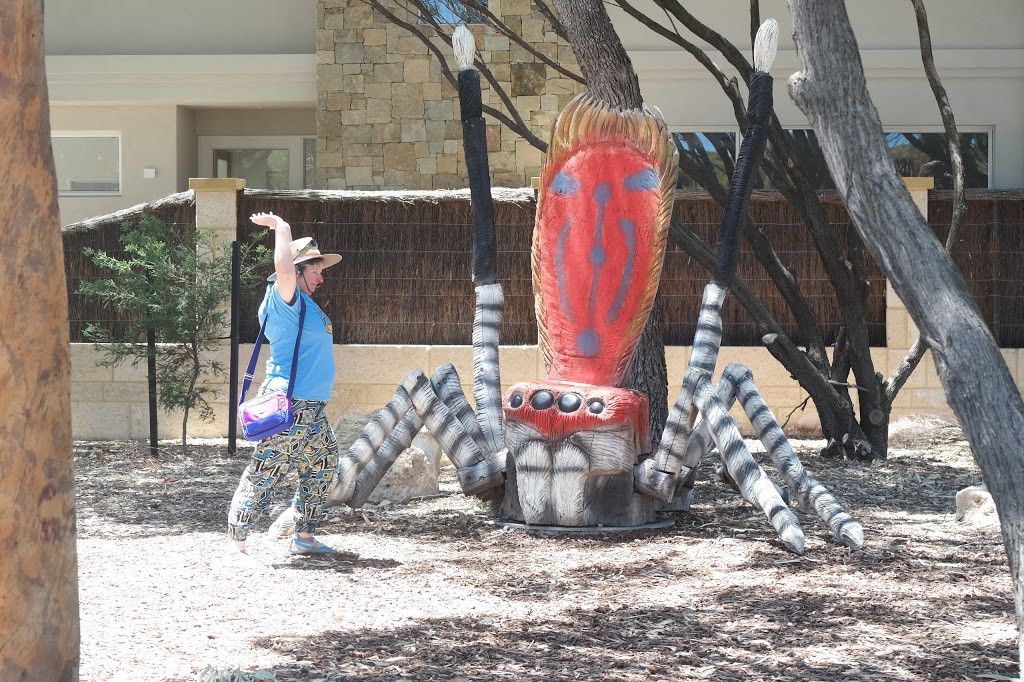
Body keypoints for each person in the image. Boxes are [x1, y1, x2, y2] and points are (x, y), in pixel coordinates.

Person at [227, 211, 342, 556]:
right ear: (296, 272)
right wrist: (282, 228)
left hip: (312, 408)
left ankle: (303, 538)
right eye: (315, 270)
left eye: (321, 271)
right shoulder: (284, 300)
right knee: (264, 474)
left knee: (323, 463)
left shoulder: (305, 305)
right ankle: (237, 544)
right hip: (289, 405)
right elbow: (285, 270)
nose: (321, 277)